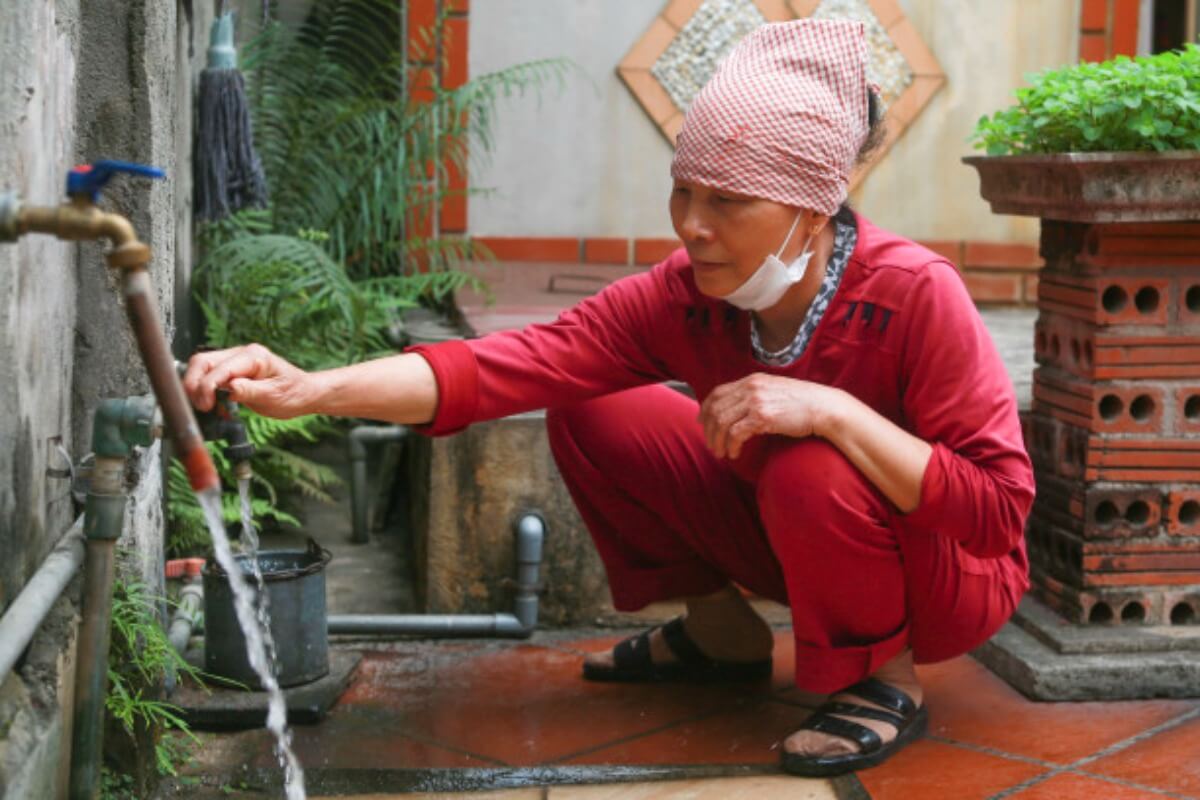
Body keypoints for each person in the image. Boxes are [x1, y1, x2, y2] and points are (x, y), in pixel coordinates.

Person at [184, 19, 1033, 777]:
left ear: (814, 212)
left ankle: (883, 680)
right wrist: (309, 388)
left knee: (812, 460)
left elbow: (998, 514)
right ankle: (721, 637)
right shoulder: (687, 293)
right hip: (800, 536)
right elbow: (512, 363)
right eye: (685, 191)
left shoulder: (916, 294)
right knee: (593, 407)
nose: (692, 225)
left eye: (728, 202)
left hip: (949, 579)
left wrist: (836, 412)